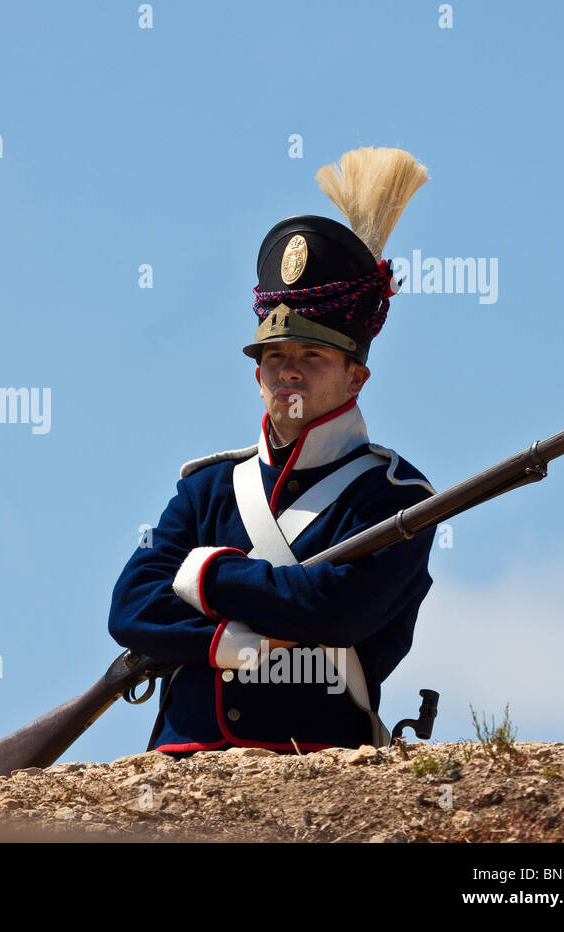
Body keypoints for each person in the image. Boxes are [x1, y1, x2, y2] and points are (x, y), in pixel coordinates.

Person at [108, 147, 437, 756]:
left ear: (356, 377)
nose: (290, 373)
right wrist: (228, 645)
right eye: (276, 358)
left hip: (315, 756)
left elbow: (338, 611)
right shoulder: (207, 489)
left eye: (312, 357)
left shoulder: (398, 497)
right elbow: (131, 605)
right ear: (257, 375)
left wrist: (206, 573)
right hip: (187, 754)